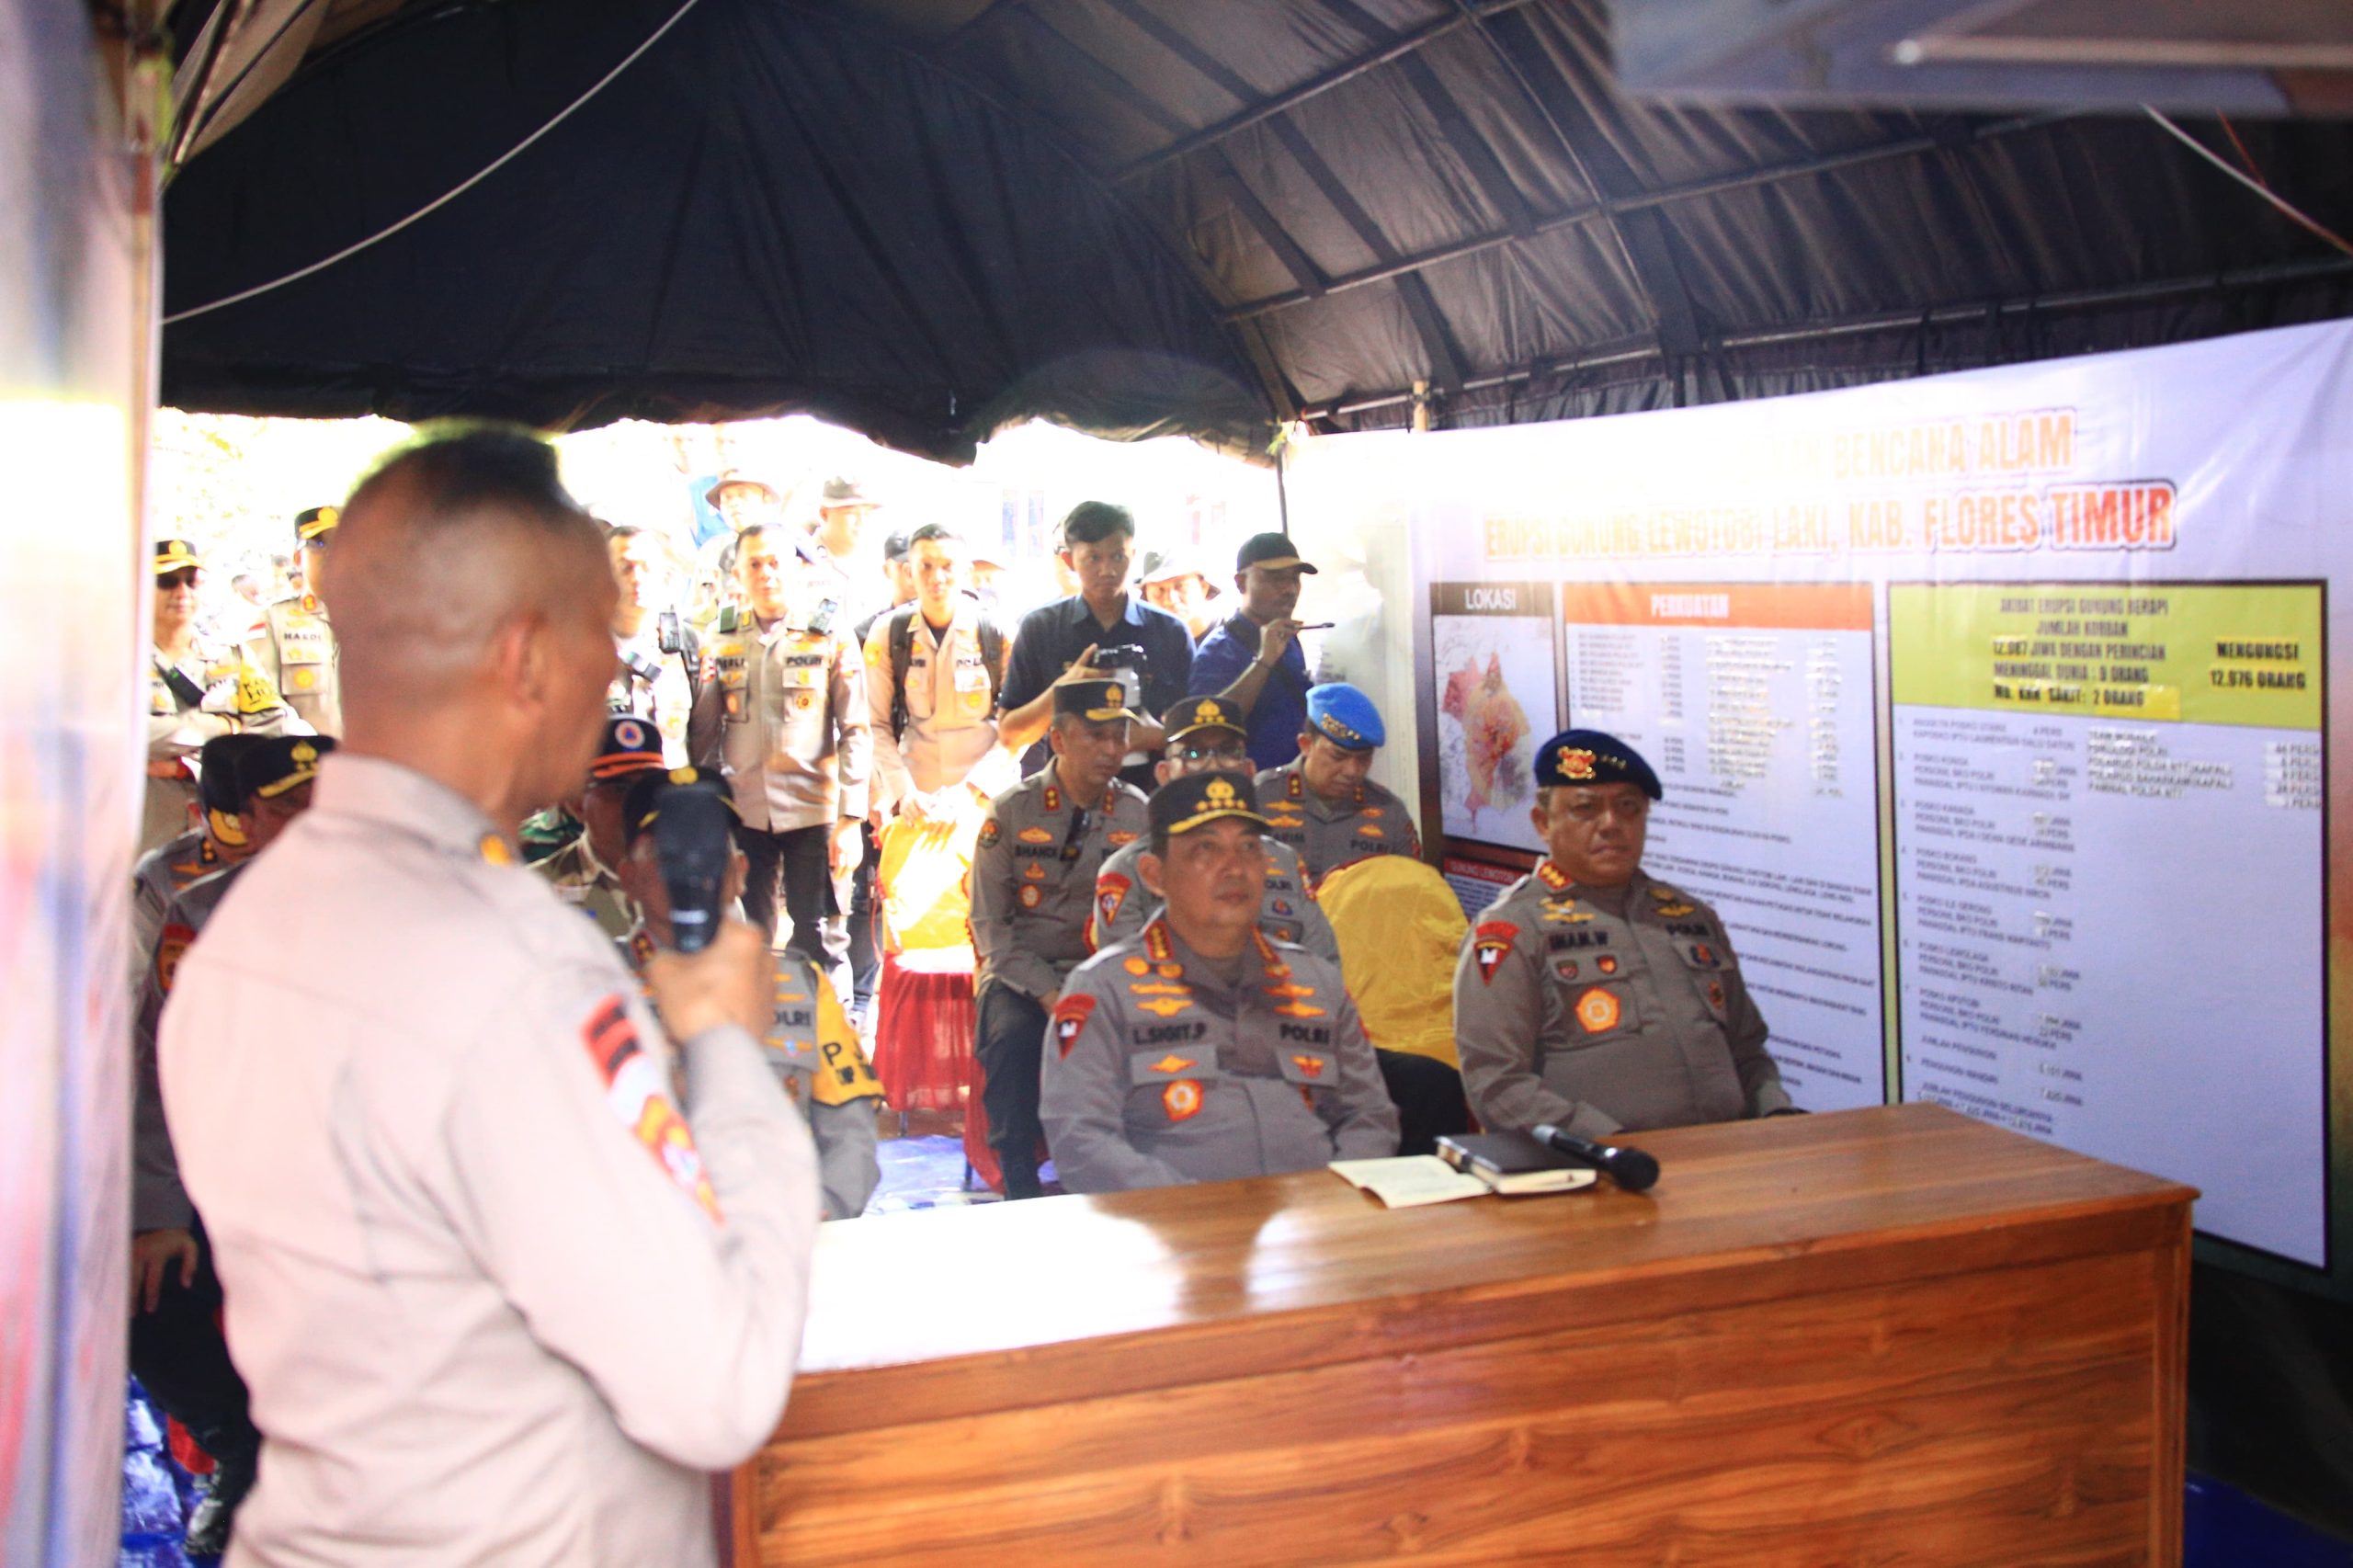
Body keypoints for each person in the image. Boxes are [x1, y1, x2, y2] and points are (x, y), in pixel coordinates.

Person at [157, 426, 821, 1567]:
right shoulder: (505, 964)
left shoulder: (241, 924)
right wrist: (722, 1045)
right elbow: (716, 1382)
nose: (616, 670)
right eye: (601, 637)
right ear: (524, 656)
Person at [129, 733, 334, 1560]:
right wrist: (159, 1211)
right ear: (250, 818)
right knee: (147, 1290)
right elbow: (159, 1071)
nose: (312, 824)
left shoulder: (415, 913)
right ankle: (240, 1445)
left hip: (373, 1196)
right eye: (287, 808)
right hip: (240, 1184)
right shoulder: (201, 916)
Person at [1040, 771, 1399, 1192]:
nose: (1234, 867)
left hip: (1315, 1227)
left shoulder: (1316, 981)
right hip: (1169, 1235)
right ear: (1154, 875)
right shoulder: (1103, 991)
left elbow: (1369, 1116)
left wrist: (1334, 1196)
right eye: (1205, 849)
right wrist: (1195, 1211)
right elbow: (1080, 1139)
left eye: (1249, 847)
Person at [1453, 729, 1795, 1139]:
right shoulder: (1511, 930)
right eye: (1586, 808)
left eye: (1629, 808)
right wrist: (1608, 1146)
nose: (1611, 824)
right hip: (1597, 1175)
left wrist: (1775, 1115)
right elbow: (1495, 1084)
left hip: (1726, 1161)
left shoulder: (1690, 917)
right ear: (1543, 823)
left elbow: (1747, 1048)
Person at [613, 768, 883, 1221]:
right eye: (669, 854)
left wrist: (817, 1215)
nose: (693, 870)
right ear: (628, 876)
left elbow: (850, 1130)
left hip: (786, 1238)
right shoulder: (595, 992)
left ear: (740, 872)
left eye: (711, 853)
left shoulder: (798, 985)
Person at [969, 677, 1150, 1198]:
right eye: (1097, 736)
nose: (1112, 749)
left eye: (1120, 736)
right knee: (1012, 1038)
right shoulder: (1010, 812)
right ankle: (1020, 1181)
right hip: (1025, 977)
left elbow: (1150, 915)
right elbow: (991, 930)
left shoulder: (1136, 812)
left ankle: (1131, 1177)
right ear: (1059, 740)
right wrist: (1051, 995)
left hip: (1110, 973)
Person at [688, 522, 871, 992]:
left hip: (814, 810)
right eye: (755, 564)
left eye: (775, 563)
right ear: (739, 574)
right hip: (746, 811)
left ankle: (831, 1045)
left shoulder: (828, 632)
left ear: (797, 569)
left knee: (819, 938)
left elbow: (855, 728)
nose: (767, 574)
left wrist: (852, 819)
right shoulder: (721, 638)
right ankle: (760, 1044)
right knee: (750, 935)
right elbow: (706, 734)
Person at [1089, 695, 1336, 962]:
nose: (1213, 766)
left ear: (1250, 770)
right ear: (1163, 774)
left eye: (1228, 752)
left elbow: (1323, 966)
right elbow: (1128, 980)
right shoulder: (1129, 871)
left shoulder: (1284, 861)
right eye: (1192, 754)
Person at [999, 501, 1192, 793]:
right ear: (1068, 560)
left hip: (1153, 798)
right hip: (1067, 800)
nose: (1107, 570)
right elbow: (1010, 736)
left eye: (1118, 556)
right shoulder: (1041, 629)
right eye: (1093, 558)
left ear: (1133, 555)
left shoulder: (1170, 632)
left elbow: (1200, 735)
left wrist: (1150, 736)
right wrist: (1063, 689)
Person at [863, 524, 1020, 828]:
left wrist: (973, 790)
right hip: (917, 803)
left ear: (966, 571)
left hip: (986, 801)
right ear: (909, 572)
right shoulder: (888, 632)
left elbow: (1019, 728)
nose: (937, 578)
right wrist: (902, 791)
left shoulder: (997, 632)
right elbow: (875, 724)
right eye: (926, 566)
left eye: (948, 566)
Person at [145, 539, 290, 854]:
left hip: (229, 838)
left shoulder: (232, 656)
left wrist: (182, 767)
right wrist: (227, 727)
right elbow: (133, 737)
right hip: (150, 835)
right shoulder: (118, 665)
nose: (182, 592)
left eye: (191, 582)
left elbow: (273, 729)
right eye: (167, 582)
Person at [1255, 683, 1420, 882]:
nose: (1352, 771)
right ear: (1306, 745)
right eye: (1338, 756)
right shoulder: (1260, 797)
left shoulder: (1388, 814)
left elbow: (1412, 893)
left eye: (1363, 759)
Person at [130, 732, 262, 966]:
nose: (252, 848)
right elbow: (139, 978)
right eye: (238, 846)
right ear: (197, 816)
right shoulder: (162, 875)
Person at [1188, 532, 1317, 772]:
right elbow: (1208, 729)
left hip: (1293, 786)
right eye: (1276, 579)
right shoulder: (1218, 651)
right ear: (1240, 583)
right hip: (1246, 791)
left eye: (1294, 579)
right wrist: (1263, 662)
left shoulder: (1288, 640)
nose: (1290, 589)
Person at [536, 715, 667, 938]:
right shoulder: (538, 890)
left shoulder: (693, 876)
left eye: (649, 788)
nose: (638, 804)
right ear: (577, 804)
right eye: (619, 789)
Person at [244, 506, 343, 736]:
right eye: (319, 544)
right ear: (298, 558)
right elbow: (262, 710)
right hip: (305, 765)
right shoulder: (273, 622)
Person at [608, 524, 699, 764]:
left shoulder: (685, 644)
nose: (637, 579)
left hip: (672, 791)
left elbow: (706, 736)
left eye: (647, 567)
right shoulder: (580, 648)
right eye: (625, 568)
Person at [1136, 549, 1222, 642]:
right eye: (1159, 591)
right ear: (1146, 597)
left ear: (1204, 587)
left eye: (1181, 587)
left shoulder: (1234, 638)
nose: (1170, 600)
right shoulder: (1142, 642)